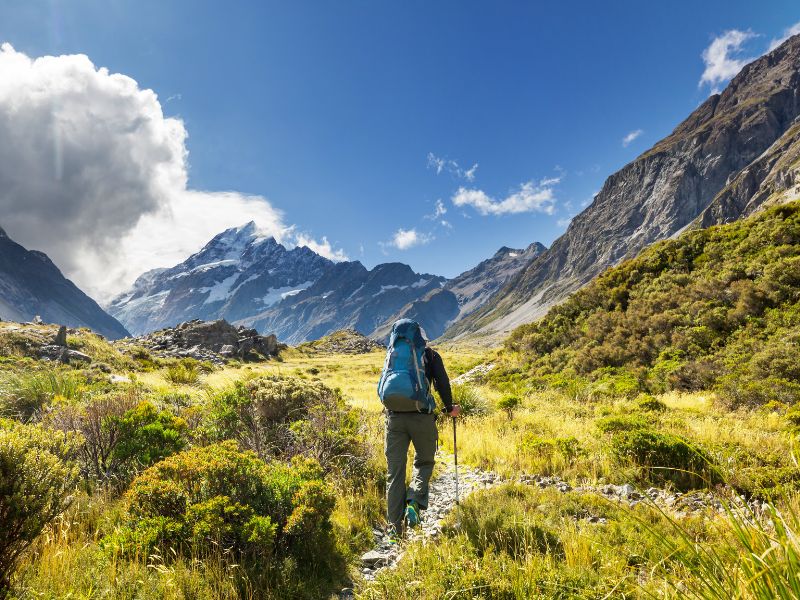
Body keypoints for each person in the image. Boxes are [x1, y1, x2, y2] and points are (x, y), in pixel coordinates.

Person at [379, 320, 461, 538]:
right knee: (424, 461)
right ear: (421, 338)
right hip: (422, 418)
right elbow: (443, 383)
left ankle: (395, 532)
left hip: (394, 418)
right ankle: (414, 501)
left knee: (394, 474)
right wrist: (449, 407)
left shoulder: (393, 355)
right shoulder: (431, 356)